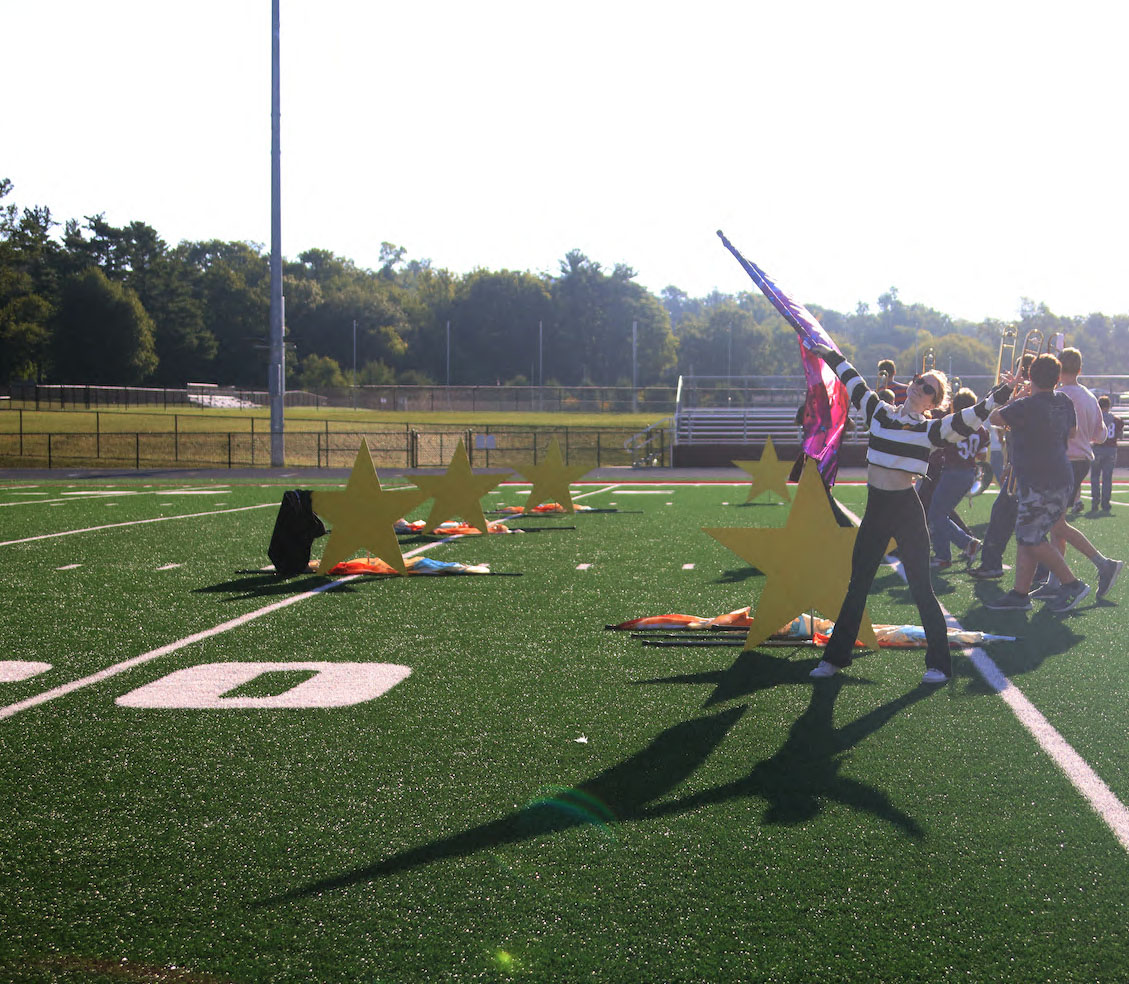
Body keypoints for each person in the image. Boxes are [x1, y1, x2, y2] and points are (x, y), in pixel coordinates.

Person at [805, 344, 1012, 684]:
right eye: (918, 380)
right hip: (876, 508)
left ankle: (939, 665)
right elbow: (852, 379)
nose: (919, 386)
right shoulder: (879, 411)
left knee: (921, 587)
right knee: (857, 586)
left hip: (906, 508)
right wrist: (826, 351)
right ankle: (835, 658)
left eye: (928, 388)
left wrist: (1001, 392)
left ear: (934, 402)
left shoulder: (932, 430)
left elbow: (972, 417)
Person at [983, 353, 1122, 612]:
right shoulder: (1064, 400)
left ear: (1030, 376)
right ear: (1057, 378)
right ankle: (1020, 593)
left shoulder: (1026, 405)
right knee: (1032, 533)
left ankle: (1071, 584)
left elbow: (993, 418)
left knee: (1030, 536)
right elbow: (1071, 432)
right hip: (1061, 475)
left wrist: (1013, 391)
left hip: (1038, 478)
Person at [927, 388, 988, 569]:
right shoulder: (981, 428)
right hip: (969, 473)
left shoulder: (953, 423)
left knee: (936, 515)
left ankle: (958, 548)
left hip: (953, 472)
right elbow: (982, 457)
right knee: (939, 514)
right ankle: (954, 549)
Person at [1057, 347, 1106, 516]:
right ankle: (1055, 544)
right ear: (1079, 370)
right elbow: (1100, 436)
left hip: (1060, 461)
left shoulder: (1056, 396)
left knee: (1051, 519)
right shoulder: (1090, 398)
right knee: (1058, 521)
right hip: (1082, 461)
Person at [1090, 395, 1123, 513]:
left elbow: (1090, 435)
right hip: (1111, 450)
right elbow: (1120, 436)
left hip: (1098, 449)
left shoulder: (1095, 419)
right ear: (1109, 406)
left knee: (1094, 477)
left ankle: (1095, 502)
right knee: (1107, 478)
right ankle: (1105, 503)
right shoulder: (1117, 420)